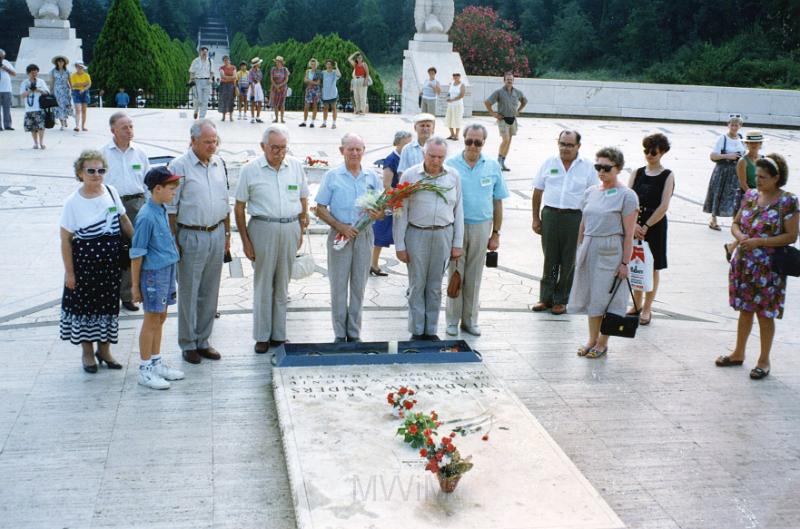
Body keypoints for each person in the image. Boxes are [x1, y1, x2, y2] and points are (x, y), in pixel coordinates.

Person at [716, 154, 798, 380]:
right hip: (744, 263)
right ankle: (738, 352)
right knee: (744, 310)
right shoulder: (751, 195)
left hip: (768, 267)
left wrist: (760, 241)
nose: (758, 181)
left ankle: (764, 360)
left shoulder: (787, 201)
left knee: (764, 314)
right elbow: (735, 223)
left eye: (763, 177)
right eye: (757, 176)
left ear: (776, 178)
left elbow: (791, 235)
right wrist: (740, 235)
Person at [234, 126, 310, 354]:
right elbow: (239, 207)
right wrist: (246, 241)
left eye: (283, 148)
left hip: (289, 227)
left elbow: (303, 197)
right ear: (263, 147)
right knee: (263, 282)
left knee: (282, 283)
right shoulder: (250, 170)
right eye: (274, 148)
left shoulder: (295, 166)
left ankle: (279, 334)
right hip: (262, 227)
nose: (279, 152)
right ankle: (262, 335)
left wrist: (301, 224)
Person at [59, 150, 134, 373]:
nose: (96, 175)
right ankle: (87, 353)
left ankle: (105, 350)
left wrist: (138, 244)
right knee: (85, 309)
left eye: (101, 170)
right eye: (91, 171)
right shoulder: (72, 202)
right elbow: (65, 240)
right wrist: (70, 273)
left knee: (109, 308)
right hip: (85, 266)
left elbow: (124, 220)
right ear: (80, 173)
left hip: (110, 266)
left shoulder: (111, 192)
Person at [167, 120, 231, 364]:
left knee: (210, 290)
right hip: (190, 234)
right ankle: (188, 342)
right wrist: (174, 240)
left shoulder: (219, 163)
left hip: (215, 232)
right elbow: (171, 208)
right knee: (189, 291)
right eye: (207, 142)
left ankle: (204, 340)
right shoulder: (179, 166)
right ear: (192, 141)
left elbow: (225, 201)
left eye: (214, 141)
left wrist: (227, 236)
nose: (212, 146)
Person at [569, 147, 639, 359]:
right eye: (598, 167)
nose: (601, 171)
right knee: (591, 296)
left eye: (606, 168)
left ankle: (602, 341)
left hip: (611, 249)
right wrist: (580, 247)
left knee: (605, 297)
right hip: (589, 247)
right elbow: (583, 222)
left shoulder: (627, 196)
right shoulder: (591, 191)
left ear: (617, 169)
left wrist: (625, 263)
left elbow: (629, 234)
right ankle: (591, 338)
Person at [393, 137, 464, 340]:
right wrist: (400, 244)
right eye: (432, 156)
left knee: (434, 286)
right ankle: (417, 330)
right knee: (417, 284)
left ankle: (431, 330)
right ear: (424, 154)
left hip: (443, 234)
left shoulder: (453, 176)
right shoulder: (410, 175)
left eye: (440, 157)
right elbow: (401, 212)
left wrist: (457, 243)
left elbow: (459, 209)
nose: (435, 161)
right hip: (417, 234)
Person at [444, 123, 508, 336]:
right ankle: (452, 320)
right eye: (469, 141)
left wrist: (496, 233)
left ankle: (470, 320)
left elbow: (498, 201)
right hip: (456, 226)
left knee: (474, 276)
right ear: (463, 140)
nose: (473, 146)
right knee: (455, 274)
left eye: (477, 142)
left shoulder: (492, 166)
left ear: (483, 143)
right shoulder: (450, 164)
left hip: (482, 226)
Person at [130, 167, 185, 389]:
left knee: (160, 317)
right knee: (151, 319)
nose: (174, 192)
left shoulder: (161, 208)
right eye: (171, 188)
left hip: (167, 270)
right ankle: (144, 369)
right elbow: (137, 253)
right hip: (153, 274)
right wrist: (135, 286)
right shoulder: (145, 216)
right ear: (157, 189)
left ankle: (155, 361)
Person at [531, 130, 596, 315]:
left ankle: (561, 299)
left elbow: (593, 195)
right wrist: (536, 218)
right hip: (551, 215)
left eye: (569, 145)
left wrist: (588, 224)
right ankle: (546, 298)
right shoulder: (549, 163)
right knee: (550, 259)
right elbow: (537, 191)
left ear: (578, 146)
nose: (565, 148)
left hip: (574, 218)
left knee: (569, 261)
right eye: (562, 143)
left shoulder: (587, 167)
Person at [102, 111, 151, 312]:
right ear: (113, 130)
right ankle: (109, 294)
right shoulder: (103, 153)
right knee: (112, 251)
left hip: (136, 205)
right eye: (124, 127)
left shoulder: (139, 153)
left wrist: (150, 207)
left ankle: (128, 294)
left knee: (134, 251)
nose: (129, 130)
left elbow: (148, 182)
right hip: (112, 207)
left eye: (131, 126)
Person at [628, 133, 675, 325]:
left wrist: (646, 225)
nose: (649, 154)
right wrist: (635, 224)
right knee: (636, 264)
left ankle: (647, 307)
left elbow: (664, 205)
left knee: (653, 267)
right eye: (646, 151)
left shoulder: (667, 175)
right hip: (635, 223)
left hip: (655, 225)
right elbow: (629, 198)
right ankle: (636, 303)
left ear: (662, 152)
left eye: (653, 151)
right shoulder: (637, 172)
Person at [371, 130, 413, 275]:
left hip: (405, 199)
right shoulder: (391, 160)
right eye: (406, 143)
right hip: (392, 201)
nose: (409, 146)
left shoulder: (409, 157)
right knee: (381, 233)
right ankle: (373, 264)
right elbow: (387, 185)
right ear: (398, 143)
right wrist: (399, 196)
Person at [724, 130, 765, 260]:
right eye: (751, 142)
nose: (754, 145)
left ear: (760, 144)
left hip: (762, 195)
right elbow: (743, 183)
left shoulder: (763, 160)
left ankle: (731, 247)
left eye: (757, 142)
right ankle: (734, 249)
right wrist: (753, 196)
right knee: (745, 227)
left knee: (754, 228)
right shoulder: (743, 161)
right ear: (746, 144)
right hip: (747, 196)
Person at [704, 114, 745, 230]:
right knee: (718, 193)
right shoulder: (723, 138)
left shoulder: (741, 137)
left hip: (736, 171)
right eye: (732, 125)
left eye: (736, 125)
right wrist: (728, 155)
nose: (734, 127)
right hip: (723, 171)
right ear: (728, 125)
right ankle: (713, 220)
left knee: (735, 196)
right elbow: (713, 155)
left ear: (740, 126)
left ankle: (735, 221)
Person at [484, 72, 527, 171]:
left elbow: (524, 101)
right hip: (503, 119)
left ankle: (503, 162)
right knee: (506, 139)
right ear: (504, 80)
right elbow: (487, 103)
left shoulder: (517, 92)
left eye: (511, 79)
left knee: (509, 141)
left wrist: (518, 110)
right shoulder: (499, 92)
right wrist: (494, 114)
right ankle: (498, 161)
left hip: (513, 119)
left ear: (513, 81)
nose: (509, 81)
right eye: (507, 79)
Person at [20, 64, 50, 149]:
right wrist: (30, 90)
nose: (34, 74)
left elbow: (47, 93)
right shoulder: (24, 83)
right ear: (28, 73)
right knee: (32, 128)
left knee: (41, 127)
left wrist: (39, 90)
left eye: (36, 73)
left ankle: (41, 143)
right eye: (32, 73)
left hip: (39, 108)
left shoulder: (41, 82)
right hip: (29, 109)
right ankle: (35, 143)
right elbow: (22, 95)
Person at [188, 46, 214, 119]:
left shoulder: (210, 61)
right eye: (203, 52)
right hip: (197, 81)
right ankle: (196, 110)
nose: (204, 53)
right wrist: (191, 79)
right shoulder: (195, 61)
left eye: (206, 52)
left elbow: (212, 72)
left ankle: (202, 117)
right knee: (198, 99)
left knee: (205, 100)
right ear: (200, 52)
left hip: (207, 82)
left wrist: (210, 78)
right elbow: (191, 71)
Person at [48, 55, 72, 130]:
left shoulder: (67, 71)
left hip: (65, 91)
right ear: (57, 62)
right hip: (57, 91)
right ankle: (62, 123)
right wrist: (50, 91)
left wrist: (73, 89)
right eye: (59, 61)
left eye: (62, 61)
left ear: (64, 63)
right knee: (59, 106)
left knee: (65, 106)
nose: (60, 62)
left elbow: (70, 81)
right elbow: (52, 82)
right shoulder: (53, 71)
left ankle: (64, 119)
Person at [299, 58, 322, 127]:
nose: (313, 65)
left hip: (316, 90)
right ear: (310, 64)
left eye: (314, 64)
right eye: (312, 64)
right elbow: (305, 80)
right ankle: (304, 122)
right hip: (309, 90)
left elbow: (318, 83)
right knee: (306, 106)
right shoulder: (308, 71)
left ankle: (312, 122)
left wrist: (309, 81)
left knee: (314, 106)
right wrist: (311, 82)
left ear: (316, 65)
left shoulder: (318, 72)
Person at [70, 62, 91, 132]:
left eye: (81, 67)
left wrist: (83, 88)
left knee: (84, 110)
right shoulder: (73, 75)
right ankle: (77, 126)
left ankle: (83, 126)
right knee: (78, 110)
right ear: (76, 67)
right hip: (76, 92)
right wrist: (83, 84)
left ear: (83, 68)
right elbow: (73, 85)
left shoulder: (86, 75)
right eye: (78, 67)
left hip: (85, 92)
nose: (79, 68)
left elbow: (89, 84)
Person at [320, 59, 341, 129]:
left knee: (334, 108)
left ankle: (334, 123)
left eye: (330, 64)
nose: (328, 65)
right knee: (325, 108)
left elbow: (339, 75)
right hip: (325, 93)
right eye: (327, 64)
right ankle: (324, 123)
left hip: (333, 93)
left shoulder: (335, 72)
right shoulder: (323, 72)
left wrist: (337, 66)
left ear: (332, 65)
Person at [444, 73, 465, 140]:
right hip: (450, 105)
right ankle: (452, 134)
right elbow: (449, 93)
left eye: (457, 75)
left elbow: (462, 95)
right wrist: (447, 97)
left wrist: (453, 99)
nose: (455, 77)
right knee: (449, 119)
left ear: (459, 77)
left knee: (457, 120)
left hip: (458, 105)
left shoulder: (462, 85)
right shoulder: (451, 83)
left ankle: (456, 135)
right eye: (454, 75)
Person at [270, 56, 290, 123]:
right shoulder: (273, 69)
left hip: (283, 88)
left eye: (278, 62)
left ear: (281, 62)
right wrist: (276, 86)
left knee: (282, 104)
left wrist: (280, 85)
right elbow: (272, 79)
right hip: (275, 88)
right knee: (275, 103)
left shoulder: (285, 69)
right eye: (276, 62)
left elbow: (286, 79)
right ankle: (276, 118)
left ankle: (282, 119)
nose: (277, 63)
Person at [0, 48, 15, 131]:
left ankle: (7, 125)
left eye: (2, 56)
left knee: (7, 109)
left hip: (6, 89)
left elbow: (14, 73)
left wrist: (6, 68)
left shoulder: (6, 62)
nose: (1, 58)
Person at [218, 55, 236, 122]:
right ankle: (223, 117)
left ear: (229, 60)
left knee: (231, 100)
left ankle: (231, 117)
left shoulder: (233, 67)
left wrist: (226, 78)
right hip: (224, 85)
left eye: (227, 60)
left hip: (231, 85)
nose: (226, 61)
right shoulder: (221, 68)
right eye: (225, 60)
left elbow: (235, 76)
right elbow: (222, 76)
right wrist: (230, 78)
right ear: (223, 61)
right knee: (224, 100)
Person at [247, 57, 265, 123]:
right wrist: (253, 91)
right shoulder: (251, 71)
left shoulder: (259, 70)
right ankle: (252, 117)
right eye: (259, 63)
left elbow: (260, 78)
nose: (260, 64)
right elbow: (250, 81)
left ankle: (258, 117)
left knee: (260, 101)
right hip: (253, 86)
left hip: (258, 85)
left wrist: (257, 80)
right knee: (253, 102)